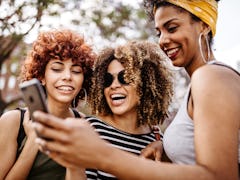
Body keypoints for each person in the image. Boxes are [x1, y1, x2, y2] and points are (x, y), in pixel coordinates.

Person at [33, 0, 240, 179]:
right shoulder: (200, 83)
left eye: (172, 28)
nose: (163, 40)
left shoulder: (211, 76)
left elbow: (219, 176)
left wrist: (103, 155)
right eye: (159, 32)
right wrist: (167, 150)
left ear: (204, 25)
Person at [46, 40, 173, 179]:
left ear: (145, 83)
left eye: (124, 78)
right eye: (107, 80)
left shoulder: (157, 138)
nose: (114, 86)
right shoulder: (91, 130)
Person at [0, 29, 96, 179]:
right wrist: (33, 141)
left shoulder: (85, 126)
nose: (67, 77)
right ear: (41, 76)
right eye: (57, 69)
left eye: (76, 71)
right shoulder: (13, 121)